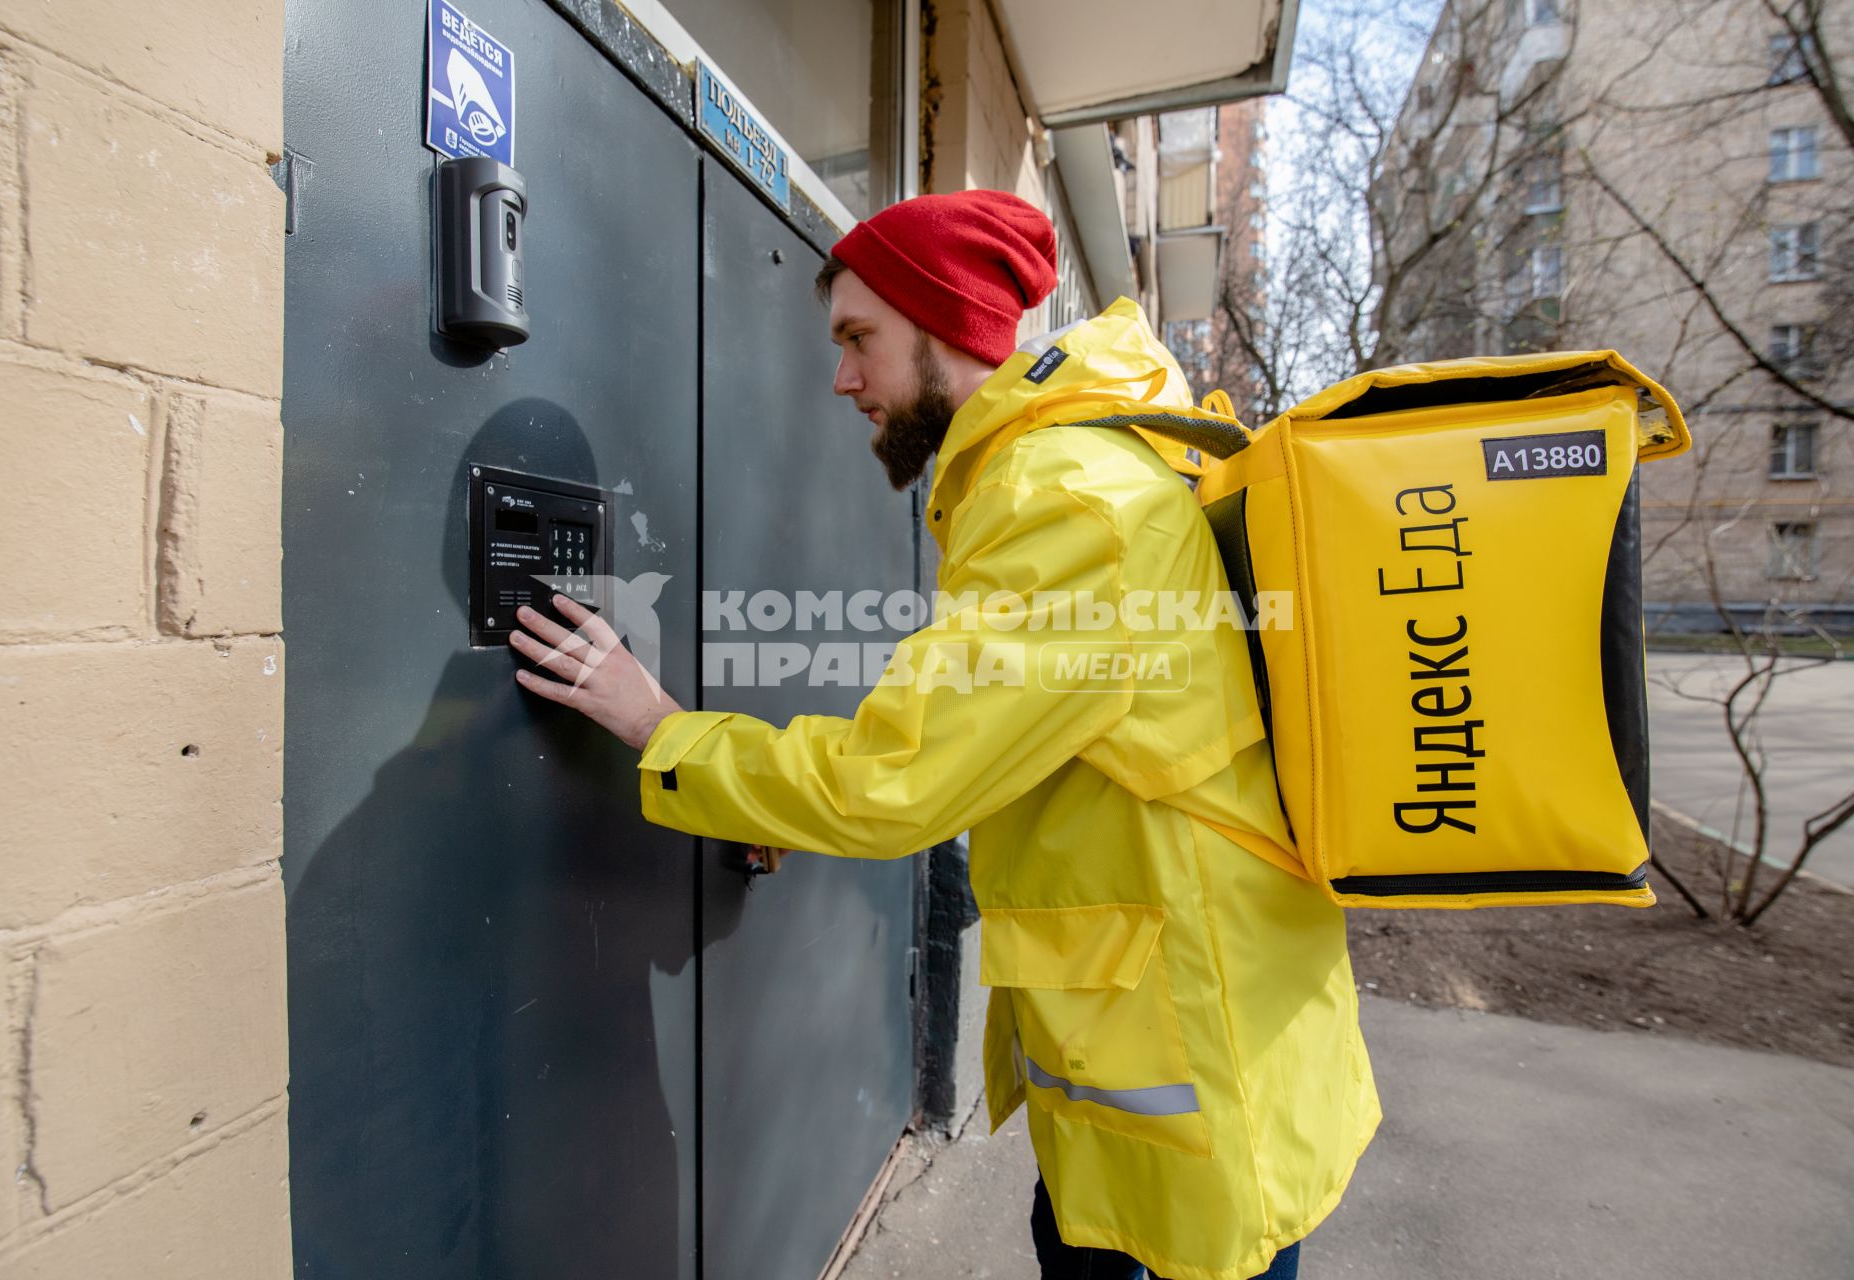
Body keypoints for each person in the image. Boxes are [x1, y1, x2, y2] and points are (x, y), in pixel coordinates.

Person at [508, 190, 1378, 1280]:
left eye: (859, 339)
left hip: (1197, 1061)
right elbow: (1002, 746)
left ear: (950, 325)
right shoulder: (1085, 469)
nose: (842, 380)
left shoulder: (1068, 502)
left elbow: (897, 780)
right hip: (1189, 1037)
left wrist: (662, 727)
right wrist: (780, 803)